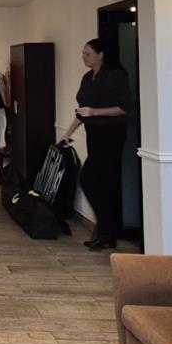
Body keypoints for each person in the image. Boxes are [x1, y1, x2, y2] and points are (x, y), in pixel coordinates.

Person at [59, 38, 129, 249]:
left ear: (101, 55)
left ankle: (106, 230)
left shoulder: (116, 76)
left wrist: (95, 112)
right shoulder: (88, 78)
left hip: (111, 134)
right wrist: (68, 133)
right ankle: (106, 231)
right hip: (94, 135)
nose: (83, 57)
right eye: (83, 54)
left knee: (91, 180)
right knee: (99, 183)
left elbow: (124, 108)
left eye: (87, 54)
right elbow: (82, 111)